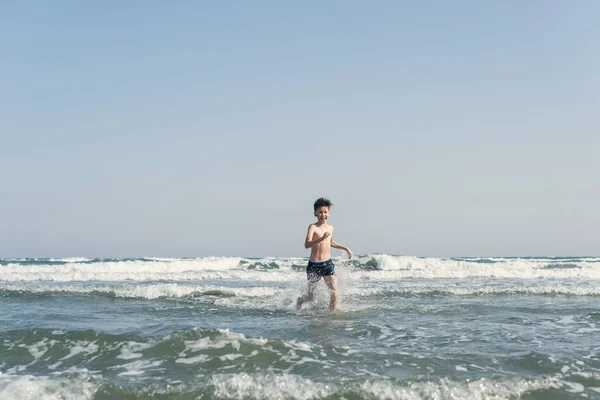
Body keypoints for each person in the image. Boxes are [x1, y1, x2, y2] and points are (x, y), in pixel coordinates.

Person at [296, 197, 352, 311]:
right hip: (314, 265)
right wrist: (320, 239)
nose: (323, 214)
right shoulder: (313, 227)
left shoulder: (331, 228)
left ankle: (331, 317)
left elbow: (330, 242)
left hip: (328, 264)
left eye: (325, 212)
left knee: (335, 293)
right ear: (315, 213)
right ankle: (300, 300)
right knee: (311, 297)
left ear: (329, 213)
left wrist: (345, 248)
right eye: (320, 212)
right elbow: (307, 244)